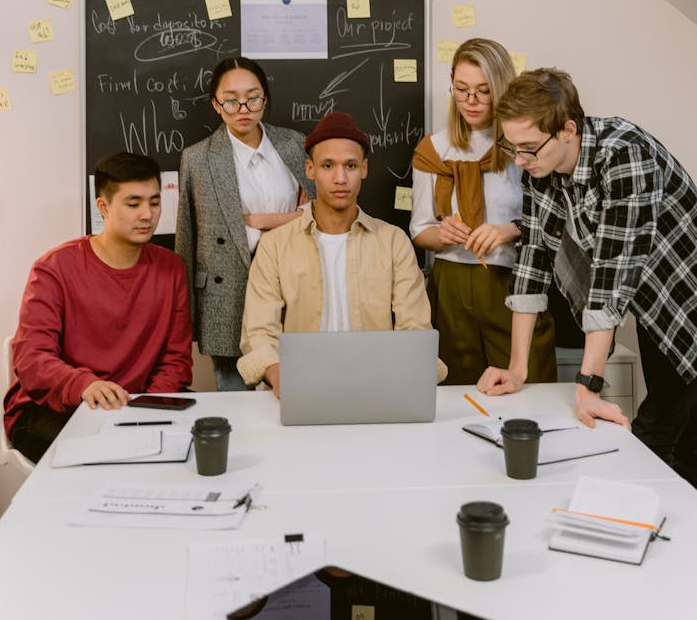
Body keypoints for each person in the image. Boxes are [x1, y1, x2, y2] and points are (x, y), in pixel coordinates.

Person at [477, 68, 697, 486]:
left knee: (656, 435)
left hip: (689, 302)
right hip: (658, 307)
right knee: (681, 437)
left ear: (567, 130)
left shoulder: (625, 155)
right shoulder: (541, 170)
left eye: (528, 149)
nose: (519, 160)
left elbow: (610, 278)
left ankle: (647, 530)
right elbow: (532, 263)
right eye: (512, 147)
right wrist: (517, 369)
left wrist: (588, 387)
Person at [238, 111, 446, 394]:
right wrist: (279, 376)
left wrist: (401, 378)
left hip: (377, 386)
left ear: (364, 169)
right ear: (309, 170)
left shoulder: (393, 242)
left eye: (350, 165)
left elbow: (415, 330)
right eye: (327, 166)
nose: (340, 178)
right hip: (300, 384)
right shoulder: (275, 246)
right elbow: (259, 332)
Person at [3, 152, 192, 463]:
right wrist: (84, 384)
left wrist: (148, 406)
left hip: (135, 402)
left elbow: (176, 359)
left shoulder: (170, 268)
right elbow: (32, 357)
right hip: (51, 408)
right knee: (108, 454)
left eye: (155, 202)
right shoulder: (54, 268)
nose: (147, 214)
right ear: (103, 206)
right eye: (133, 204)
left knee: (202, 439)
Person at [410, 39, 556, 385]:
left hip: (513, 279)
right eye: (461, 90)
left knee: (529, 386)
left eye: (483, 91)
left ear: (502, 88)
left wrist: (508, 229)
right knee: (457, 392)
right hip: (451, 283)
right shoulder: (434, 149)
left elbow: (552, 219)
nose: (471, 102)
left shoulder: (523, 143)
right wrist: (440, 235)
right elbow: (419, 228)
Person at [176, 57, 314, 391]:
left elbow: (320, 217)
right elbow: (188, 237)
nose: (243, 108)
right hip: (228, 292)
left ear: (265, 99)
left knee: (300, 395)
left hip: (293, 282)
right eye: (231, 99)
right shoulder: (197, 158)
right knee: (240, 408)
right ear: (216, 104)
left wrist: (262, 221)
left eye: (253, 97)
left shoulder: (294, 144)